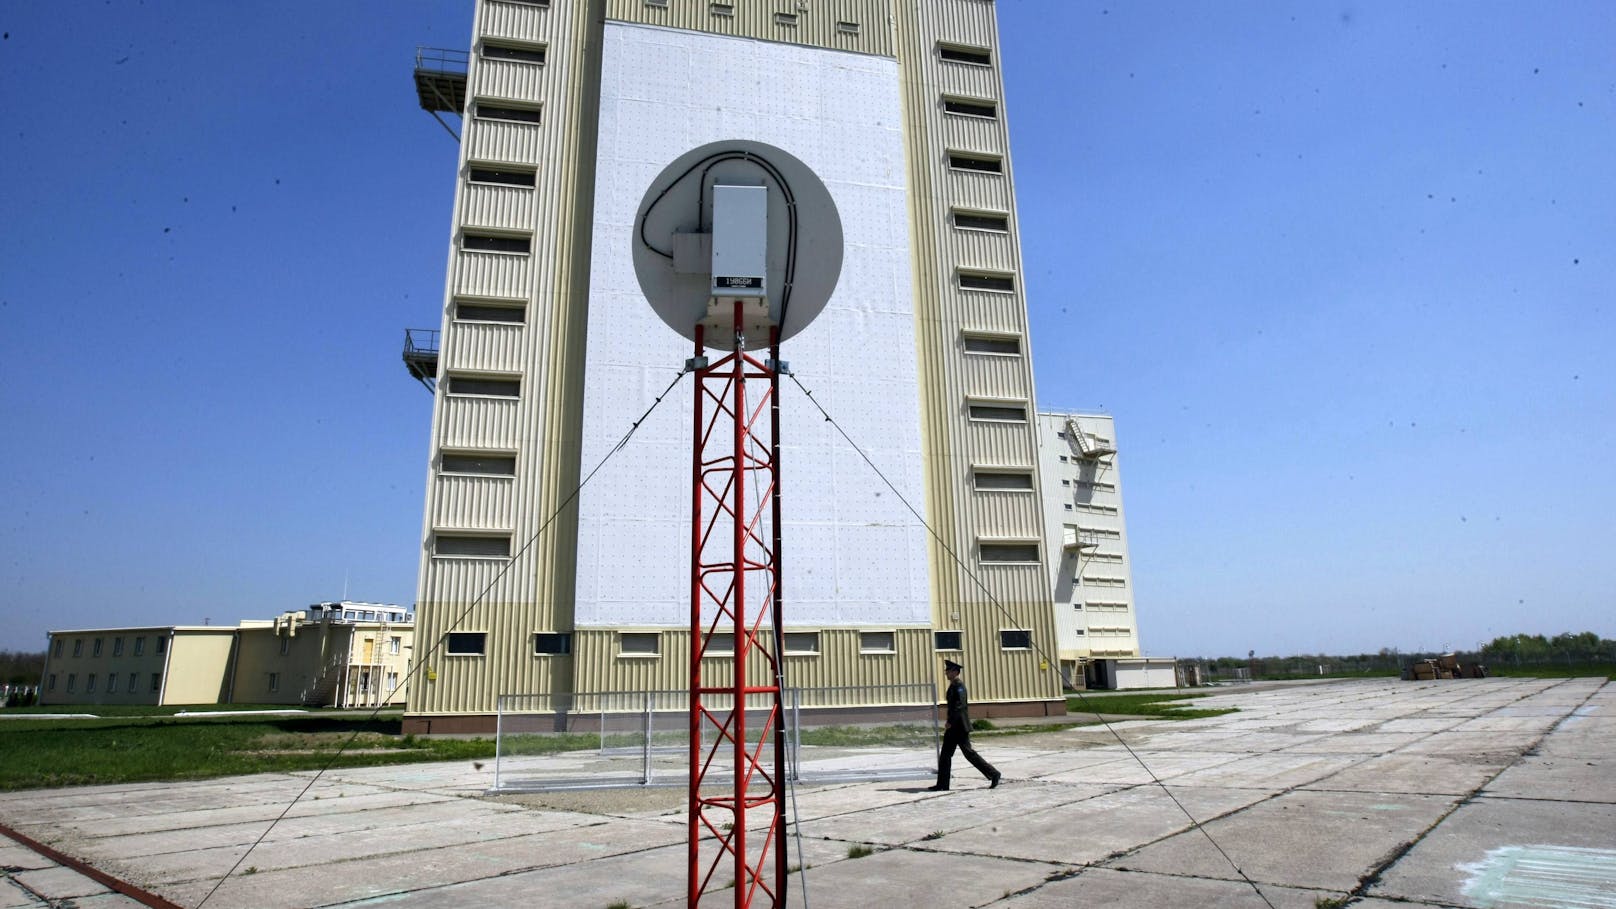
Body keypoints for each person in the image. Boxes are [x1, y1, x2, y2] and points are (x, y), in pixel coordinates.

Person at [928, 659, 1001, 791]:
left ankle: (994, 773)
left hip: (959, 726)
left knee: (968, 754)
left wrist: (950, 721)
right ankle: (943, 784)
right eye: (946, 670)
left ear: (955, 672)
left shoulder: (959, 686)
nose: (946, 673)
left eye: (948, 670)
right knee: (946, 755)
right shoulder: (953, 685)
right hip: (955, 726)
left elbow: (959, 706)